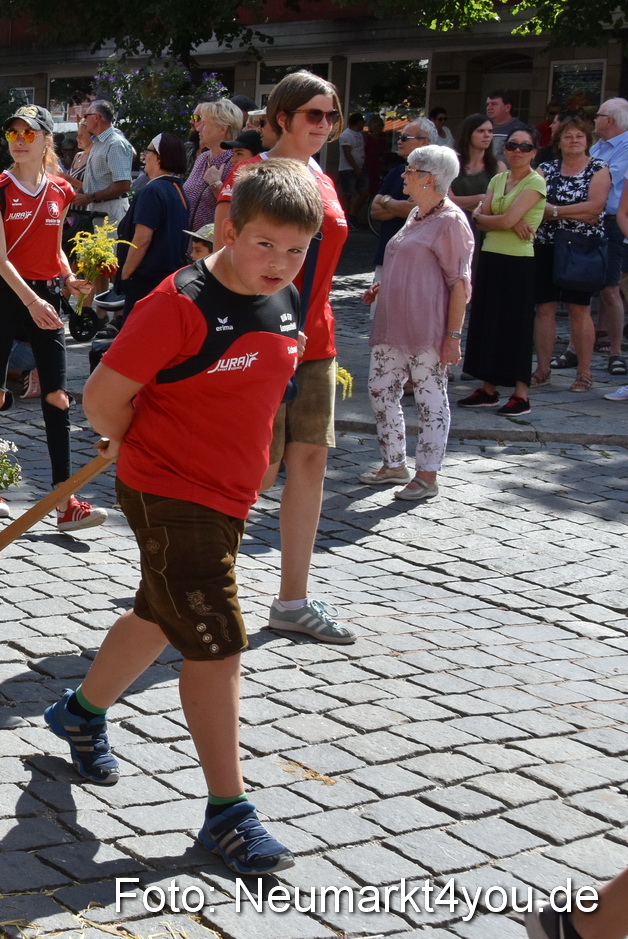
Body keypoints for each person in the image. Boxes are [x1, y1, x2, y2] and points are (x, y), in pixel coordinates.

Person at [50, 157, 325, 876]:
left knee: (161, 612)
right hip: (169, 490)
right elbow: (104, 399)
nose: (279, 263)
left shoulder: (286, 298)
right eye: (265, 244)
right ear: (228, 229)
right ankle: (227, 812)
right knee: (217, 639)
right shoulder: (180, 302)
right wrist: (147, 442)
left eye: (295, 250)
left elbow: (271, 387)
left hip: (228, 494)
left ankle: (80, 712)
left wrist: (263, 458)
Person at [235, 71, 354, 645]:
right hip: (262, 339)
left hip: (318, 342)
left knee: (310, 464)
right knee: (252, 470)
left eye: (331, 116)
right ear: (282, 116)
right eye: (314, 114)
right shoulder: (251, 175)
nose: (324, 125)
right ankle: (206, 585)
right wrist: (261, 329)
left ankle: (293, 598)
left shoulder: (323, 179)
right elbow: (226, 263)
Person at [0, 104, 104, 532]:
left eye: (29, 134)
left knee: (59, 396)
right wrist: (32, 301)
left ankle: (64, 500)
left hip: (45, 296)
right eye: (13, 132)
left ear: (47, 139)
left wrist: (69, 279)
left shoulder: (62, 191)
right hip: (8, 296)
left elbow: (55, 248)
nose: (18, 140)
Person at [360, 144, 472, 501]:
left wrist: (453, 337)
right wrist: (383, 286)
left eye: (409, 170)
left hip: (427, 329)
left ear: (429, 178)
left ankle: (427, 475)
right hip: (393, 323)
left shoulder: (451, 221)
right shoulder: (416, 215)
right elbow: (410, 261)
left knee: (429, 398)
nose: (402, 175)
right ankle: (395, 463)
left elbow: (460, 284)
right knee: (380, 391)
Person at [457, 130, 547, 416]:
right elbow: (478, 219)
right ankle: (488, 388)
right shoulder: (498, 178)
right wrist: (500, 221)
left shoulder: (536, 182)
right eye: (512, 146)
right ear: (505, 150)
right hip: (492, 256)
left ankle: (521, 394)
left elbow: (500, 217)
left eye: (525, 147)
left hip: (519, 261)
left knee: (516, 326)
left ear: (534, 151)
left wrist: (497, 219)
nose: (517, 151)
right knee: (488, 321)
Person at [532, 117, 610, 392]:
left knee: (579, 308)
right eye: (568, 136)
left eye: (579, 136)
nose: (574, 140)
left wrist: (554, 211)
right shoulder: (546, 168)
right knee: (544, 308)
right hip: (546, 244)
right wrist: (572, 210)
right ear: (559, 142)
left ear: (588, 141)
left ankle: (584, 373)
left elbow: (595, 208)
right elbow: (534, 205)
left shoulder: (599, 168)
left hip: (582, 246)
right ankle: (542, 369)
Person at [116, 132, 191, 318]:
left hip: (145, 282)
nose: (144, 156)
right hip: (167, 281)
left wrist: (124, 276)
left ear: (158, 157)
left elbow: (142, 239)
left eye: (147, 151)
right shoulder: (178, 190)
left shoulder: (153, 190)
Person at [587, 99, 628, 385]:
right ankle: (581, 348)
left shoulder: (626, 147)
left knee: (612, 288)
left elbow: (603, 179)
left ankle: (615, 352)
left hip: (614, 223)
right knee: (584, 287)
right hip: (589, 222)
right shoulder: (597, 147)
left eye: (597, 115)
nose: (593, 121)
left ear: (609, 120)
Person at [369, 118, 436, 276]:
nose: (399, 141)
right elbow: (374, 211)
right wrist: (400, 206)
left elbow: (417, 209)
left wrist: (386, 201)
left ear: (424, 142)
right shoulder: (395, 171)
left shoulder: (433, 174)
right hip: (386, 255)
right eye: (400, 137)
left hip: (418, 260)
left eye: (405, 138)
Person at [70, 99, 135, 229]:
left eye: (86, 116)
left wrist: (90, 197)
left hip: (111, 210)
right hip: (97, 208)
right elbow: (95, 177)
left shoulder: (115, 144)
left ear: (97, 117)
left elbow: (123, 185)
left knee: (109, 249)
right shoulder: (98, 143)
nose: (84, 119)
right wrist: (81, 193)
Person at [187, 100, 244, 235]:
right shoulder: (203, 158)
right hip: (189, 246)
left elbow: (237, 209)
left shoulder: (234, 161)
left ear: (223, 129)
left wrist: (216, 185)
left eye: (205, 123)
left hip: (213, 246)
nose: (199, 128)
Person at [448, 112, 501, 215]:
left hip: (484, 225)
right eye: (481, 131)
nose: (487, 135)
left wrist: (458, 202)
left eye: (490, 131)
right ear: (468, 134)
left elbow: (498, 205)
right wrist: (481, 198)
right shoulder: (449, 164)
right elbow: (442, 200)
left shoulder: (498, 167)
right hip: (453, 224)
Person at [486, 92, 534, 161]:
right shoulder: (482, 128)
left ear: (507, 107)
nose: (489, 108)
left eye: (494, 104)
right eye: (488, 104)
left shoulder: (522, 129)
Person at [338, 113, 367, 217]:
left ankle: (353, 215)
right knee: (347, 194)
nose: (364, 124)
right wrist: (356, 168)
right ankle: (345, 218)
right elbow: (347, 153)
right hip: (348, 169)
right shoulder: (346, 134)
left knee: (364, 192)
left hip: (359, 168)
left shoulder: (359, 135)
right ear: (358, 122)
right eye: (363, 122)